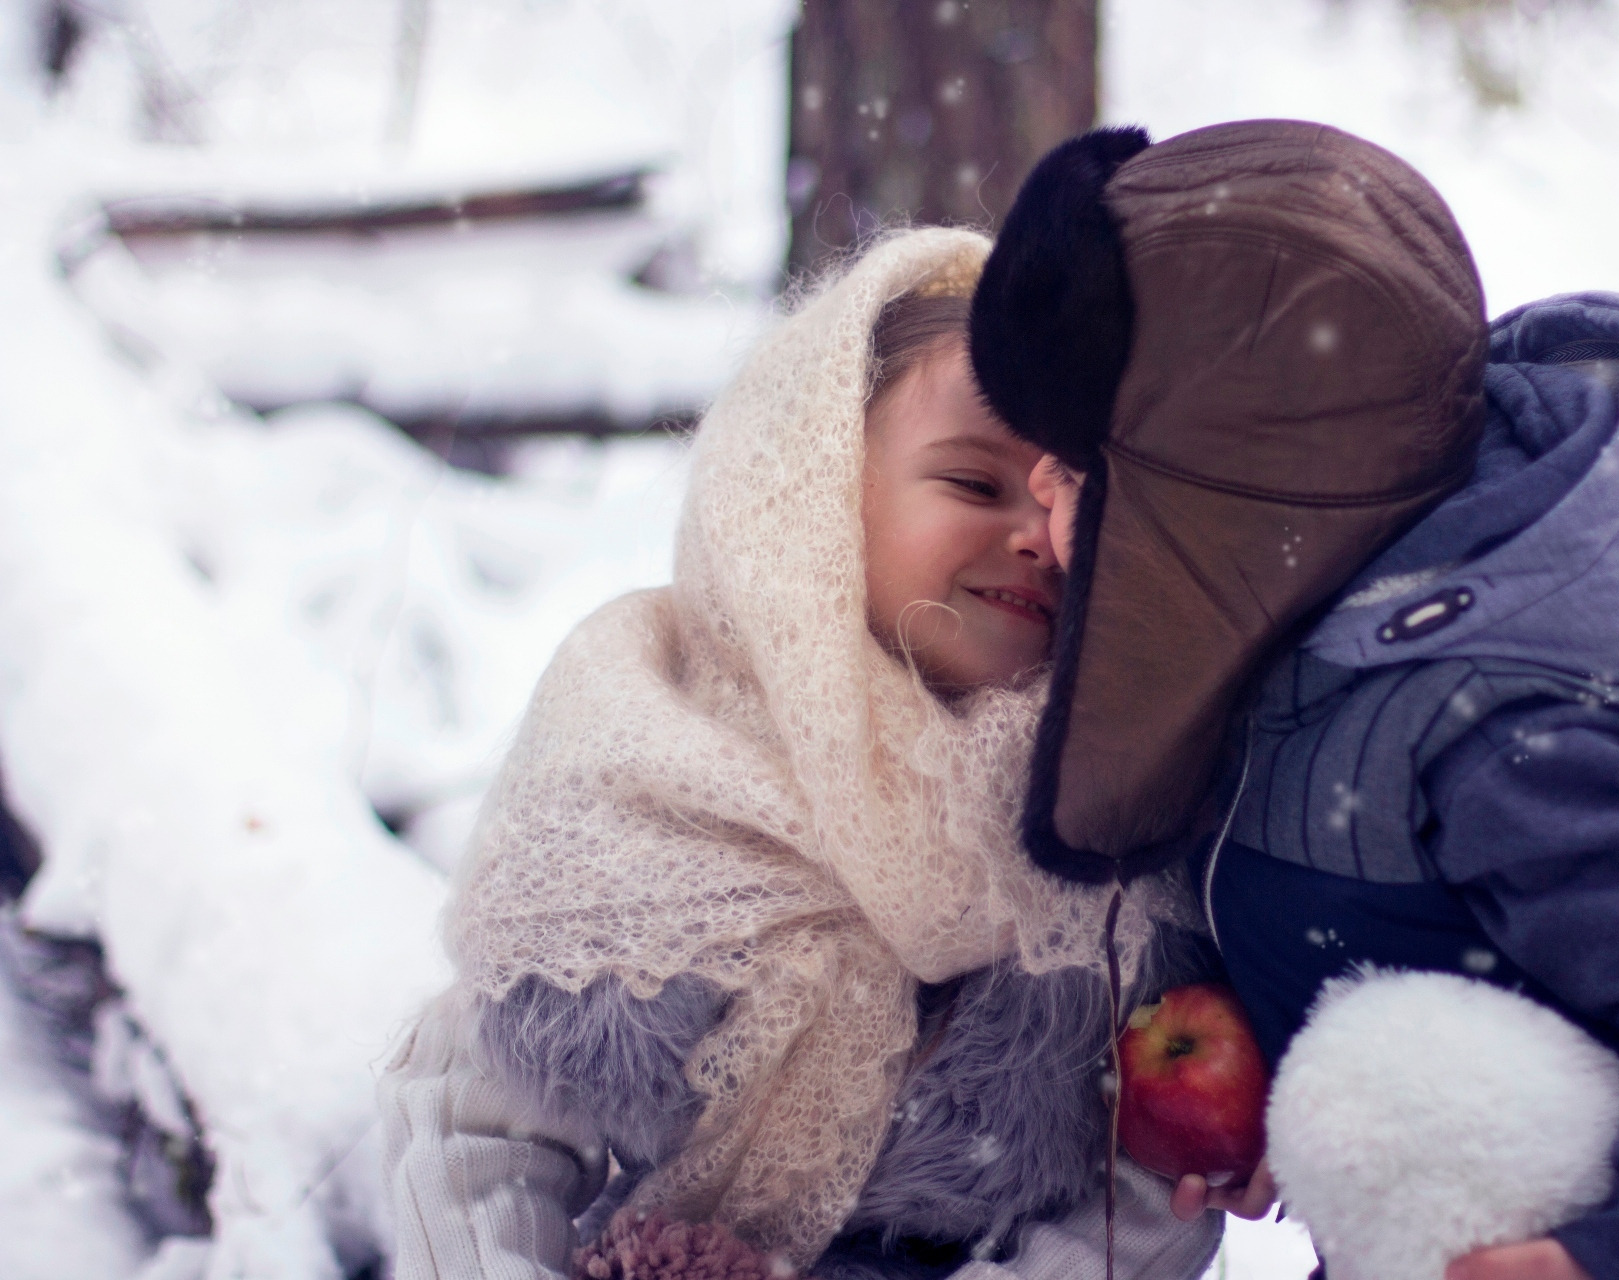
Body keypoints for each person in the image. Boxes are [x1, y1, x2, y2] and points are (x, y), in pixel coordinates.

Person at [969, 119, 1619, 1280]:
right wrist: (1291, 1093)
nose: (1043, 511)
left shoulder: (1498, 726)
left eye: (1080, 468)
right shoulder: (1304, 666)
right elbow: (1432, 952)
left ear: (1227, 489)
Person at [379, 228, 1219, 1280]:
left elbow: (1144, 1193)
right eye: (973, 482)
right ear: (813, 496)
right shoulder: (654, 749)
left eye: (1069, 497)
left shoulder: (1117, 808)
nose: (1035, 535)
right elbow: (469, 1120)